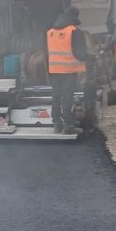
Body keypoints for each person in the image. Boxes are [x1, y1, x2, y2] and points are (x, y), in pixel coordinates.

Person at [46, 7, 93, 135]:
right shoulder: (74, 32)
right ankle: (68, 125)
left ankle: (56, 123)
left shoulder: (50, 32)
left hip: (54, 69)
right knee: (67, 96)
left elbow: (47, 53)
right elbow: (80, 54)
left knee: (56, 95)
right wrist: (91, 58)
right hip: (68, 70)